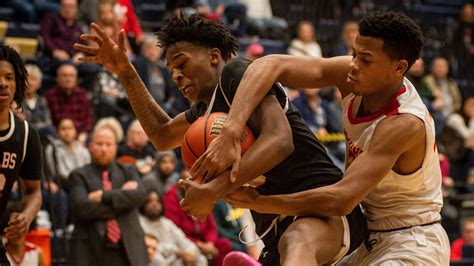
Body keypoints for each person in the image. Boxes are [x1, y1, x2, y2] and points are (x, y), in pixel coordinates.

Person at [74, 14, 367, 265]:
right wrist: (126, 72)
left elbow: (280, 140)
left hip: (323, 208)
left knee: (297, 240)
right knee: (290, 242)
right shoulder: (206, 110)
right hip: (277, 225)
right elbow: (162, 136)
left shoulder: (237, 75)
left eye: (182, 64)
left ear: (214, 56)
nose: (176, 76)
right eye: (171, 72)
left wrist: (212, 190)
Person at [194, 11, 451, 265]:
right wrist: (231, 130)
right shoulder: (352, 76)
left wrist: (262, 203)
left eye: (366, 60)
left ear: (399, 67)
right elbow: (269, 65)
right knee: (300, 245)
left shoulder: (403, 123)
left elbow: (340, 199)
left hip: (413, 241)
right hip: (370, 236)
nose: (353, 65)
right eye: (354, 54)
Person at [68, 120, 148, 266]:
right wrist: (124, 202)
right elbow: (82, 208)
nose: (104, 149)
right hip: (91, 249)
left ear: (116, 148)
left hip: (129, 248)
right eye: (99, 144)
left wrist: (104, 196)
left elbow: (140, 196)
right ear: (90, 147)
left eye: (108, 144)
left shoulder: (128, 170)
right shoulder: (78, 175)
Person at [0, 45, 43, 265]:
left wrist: (27, 216)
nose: (2, 83)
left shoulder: (26, 134)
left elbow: (34, 191)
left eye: (9, 77)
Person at [139, 190, 208, 266]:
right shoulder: (140, 223)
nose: (154, 204)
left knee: (201, 259)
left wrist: (190, 254)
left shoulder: (167, 223)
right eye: (150, 201)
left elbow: (183, 240)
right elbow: (151, 247)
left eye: (158, 201)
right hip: (159, 259)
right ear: (144, 204)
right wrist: (176, 251)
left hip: (176, 259)